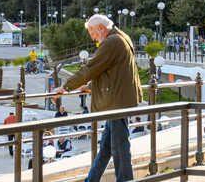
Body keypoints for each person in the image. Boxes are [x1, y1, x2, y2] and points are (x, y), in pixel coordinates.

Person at [54, 14, 143, 182]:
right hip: (120, 99)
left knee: (120, 147)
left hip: (117, 102)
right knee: (107, 147)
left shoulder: (110, 42)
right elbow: (114, 71)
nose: (94, 38)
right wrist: (91, 86)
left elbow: (91, 68)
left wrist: (65, 87)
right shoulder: (122, 36)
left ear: (101, 28)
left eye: (93, 33)